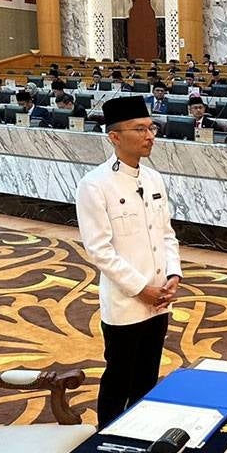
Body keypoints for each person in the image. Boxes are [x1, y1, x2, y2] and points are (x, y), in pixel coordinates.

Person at [75, 95, 181, 428]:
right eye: (140, 129)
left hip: (159, 299)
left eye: (151, 127)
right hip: (125, 303)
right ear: (115, 137)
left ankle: (140, 435)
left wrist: (173, 274)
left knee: (147, 377)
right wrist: (141, 288)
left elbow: (166, 233)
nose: (150, 135)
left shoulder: (153, 179)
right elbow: (99, 249)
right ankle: (105, 440)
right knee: (118, 378)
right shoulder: (95, 184)